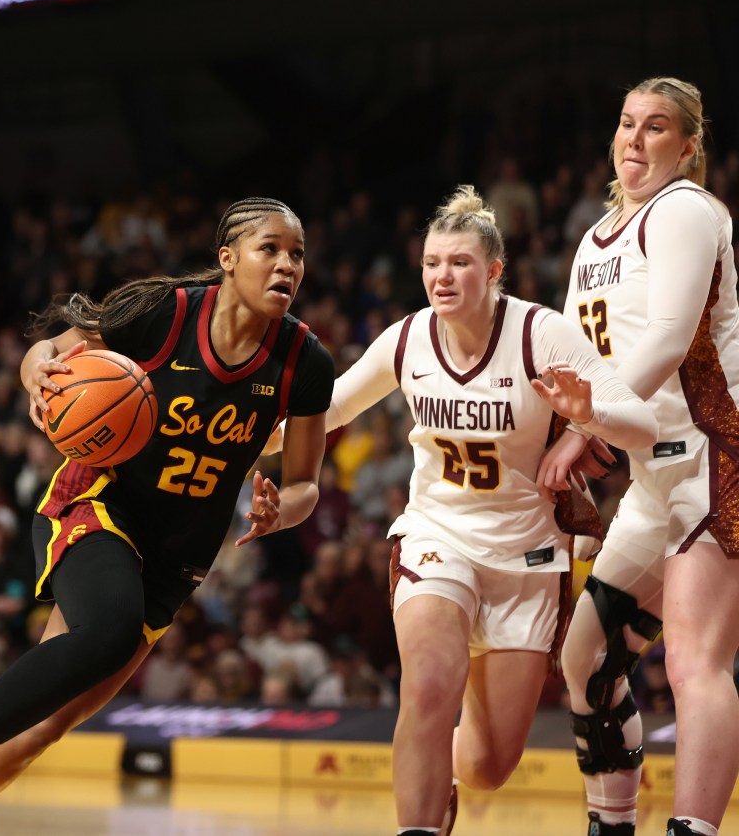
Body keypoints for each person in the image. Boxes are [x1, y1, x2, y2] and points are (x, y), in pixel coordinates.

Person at [0, 196, 334, 836]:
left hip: (177, 556)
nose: (287, 265)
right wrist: (36, 379)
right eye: (270, 249)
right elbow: (47, 352)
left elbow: (305, 485)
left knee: (40, 729)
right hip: (100, 504)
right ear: (227, 257)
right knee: (109, 628)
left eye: (297, 254)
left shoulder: (306, 361)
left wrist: (278, 512)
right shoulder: (166, 313)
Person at [266, 185, 658, 836]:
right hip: (435, 537)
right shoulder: (409, 338)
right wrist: (240, 439)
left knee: (487, 765)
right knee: (427, 686)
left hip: (525, 558)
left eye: (460, 262)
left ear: (494, 271)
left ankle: (434, 771)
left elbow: (641, 424)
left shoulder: (541, 333)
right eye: (432, 263)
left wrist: (591, 416)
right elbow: (329, 410)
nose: (442, 276)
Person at [541, 76, 739, 836]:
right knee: (585, 660)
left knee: (695, 665)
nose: (635, 138)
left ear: (689, 147)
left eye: (657, 127)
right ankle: (610, 824)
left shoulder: (685, 210)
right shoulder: (595, 239)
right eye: (627, 123)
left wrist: (585, 430)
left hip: (718, 457)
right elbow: (570, 363)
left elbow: (664, 338)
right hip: (656, 475)